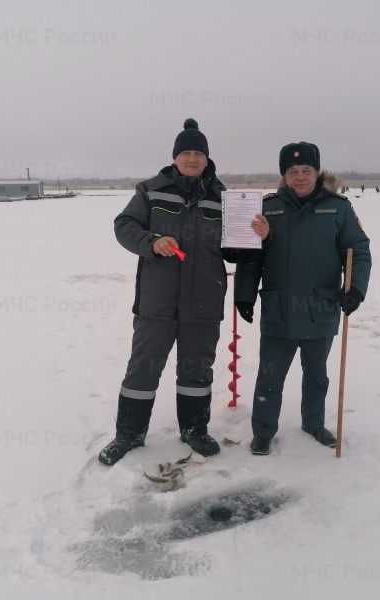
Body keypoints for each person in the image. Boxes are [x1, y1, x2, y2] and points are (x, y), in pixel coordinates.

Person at [99, 118, 265, 466]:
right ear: (175, 157)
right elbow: (124, 225)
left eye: (198, 153)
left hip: (204, 301)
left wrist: (256, 235)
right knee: (143, 369)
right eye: (186, 152)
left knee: (197, 370)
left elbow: (235, 251)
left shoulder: (224, 198)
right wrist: (152, 241)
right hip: (156, 302)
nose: (192, 158)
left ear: (206, 158)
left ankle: (194, 429)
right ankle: (128, 434)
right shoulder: (151, 190)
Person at [234, 142, 371, 456]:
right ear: (284, 175)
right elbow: (250, 256)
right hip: (278, 308)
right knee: (270, 377)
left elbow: (359, 252)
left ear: (317, 172)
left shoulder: (339, 208)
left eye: (306, 170)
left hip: (319, 308)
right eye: (292, 171)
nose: (299, 176)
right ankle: (263, 432)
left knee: (317, 376)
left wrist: (355, 289)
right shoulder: (267, 207)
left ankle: (313, 423)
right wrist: (244, 295)